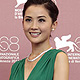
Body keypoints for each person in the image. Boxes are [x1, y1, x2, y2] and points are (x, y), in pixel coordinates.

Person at [9, 0, 69, 80]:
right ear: (23, 23)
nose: (34, 26)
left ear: (53, 25)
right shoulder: (16, 67)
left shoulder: (58, 58)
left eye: (41, 20)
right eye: (29, 20)